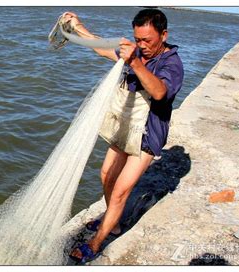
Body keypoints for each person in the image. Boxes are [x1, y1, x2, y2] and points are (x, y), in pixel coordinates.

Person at [65, 8, 184, 263]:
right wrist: (77, 26)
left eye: (147, 40)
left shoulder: (172, 63)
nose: (142, 45)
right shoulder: (139, 51)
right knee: (106, 174)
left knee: (120, 190)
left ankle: (96, 244)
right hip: (127, 124)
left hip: (149, 132)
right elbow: (101, 47)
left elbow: (160, 91)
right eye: (138, 39)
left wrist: (136, 62)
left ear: (164, 35)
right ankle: (114, 222)